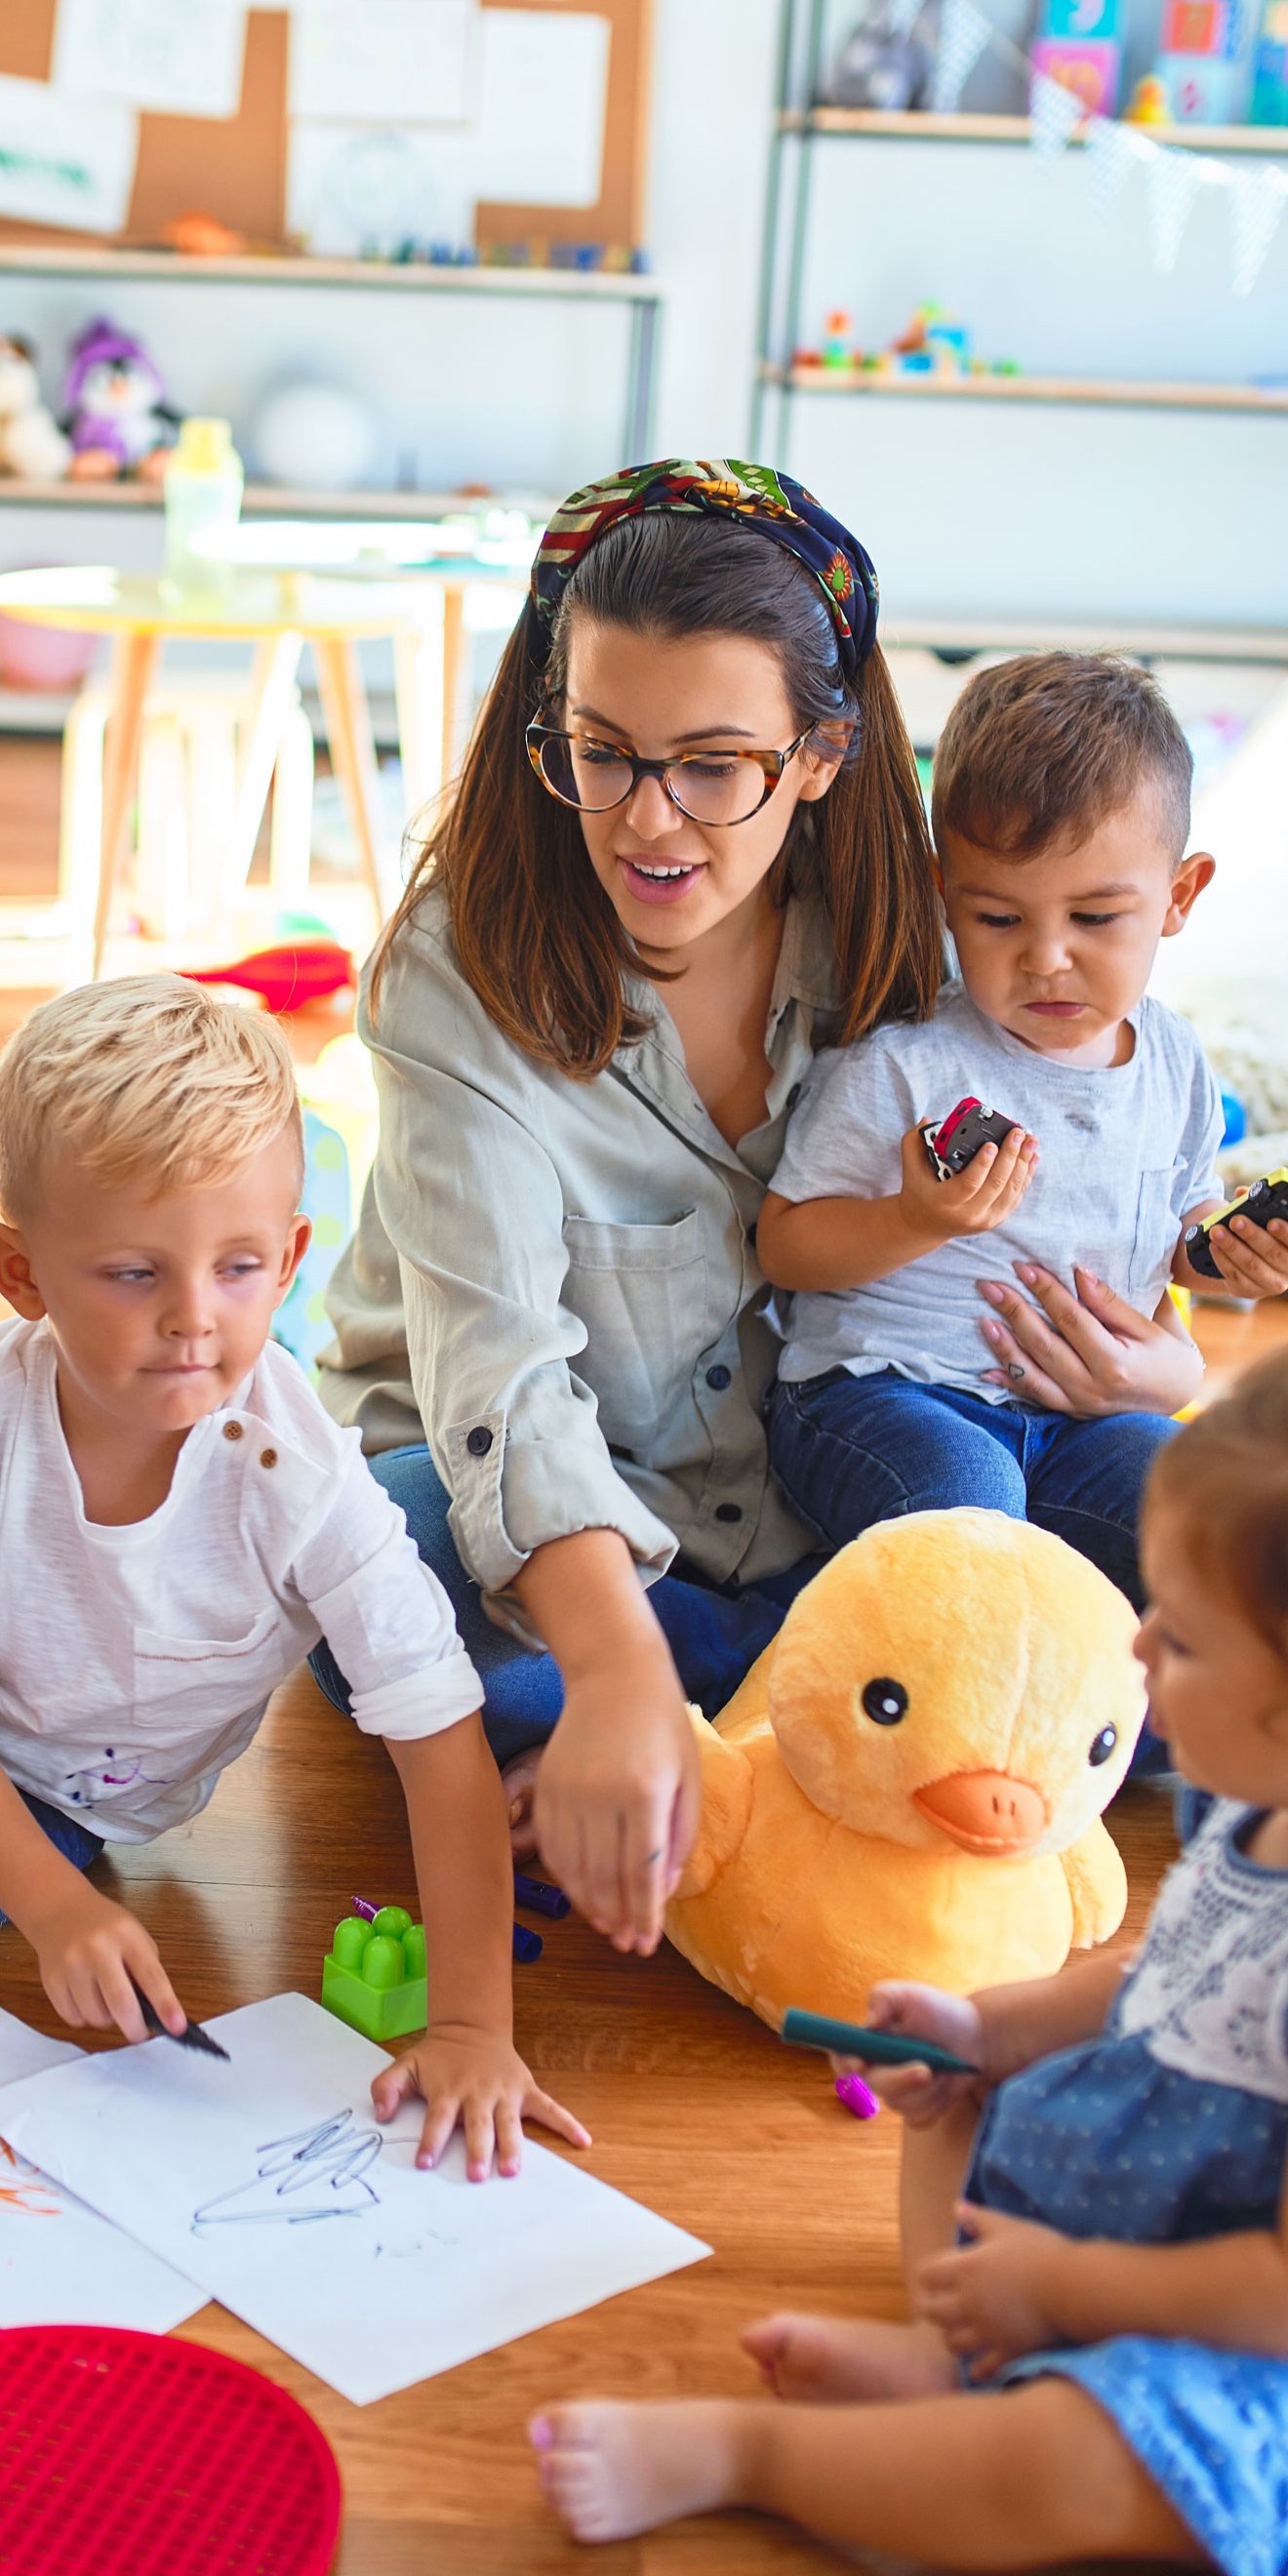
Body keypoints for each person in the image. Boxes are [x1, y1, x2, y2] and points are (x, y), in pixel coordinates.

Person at [316, 464, 1197, 1955]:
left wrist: (1166, 1364)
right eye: (602, 752)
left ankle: (772, 1724)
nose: (650, 824)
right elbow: (501, 1382)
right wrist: (613, 1679)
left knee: (1202, 1600)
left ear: (820, 755)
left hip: (820, 1499)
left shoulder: (940, 940)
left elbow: (1088, 1197)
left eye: (715, 764)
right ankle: (802, 1724)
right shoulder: (453, 975)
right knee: (377, 1576)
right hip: (548, 1530)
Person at [530, 1348, 1288, 2571]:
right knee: (957, 2096)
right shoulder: (1242, 1807)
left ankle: (757, 2458)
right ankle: (964, 2363)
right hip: (1124, 2226)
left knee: (1076, 2473)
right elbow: (1167, 1985)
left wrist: (1071, 2289)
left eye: (1186, 1643)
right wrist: (994, 2031)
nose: (1139, 1657)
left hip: (1220, 2328)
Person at [0, 977, 586, 2182]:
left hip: (74, 1813)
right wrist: (55, 1912)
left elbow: (441, 1743)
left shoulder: (302, 1482)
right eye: (131, 1274)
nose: (191, 1319)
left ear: (292, 1262)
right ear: (23, 1278)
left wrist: (473, 2026)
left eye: (239, 1267)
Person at [760, 652, 1288, 1622]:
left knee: (1208, 1520)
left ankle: (1128, 1723)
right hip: (884, 1393)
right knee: (968, 1517)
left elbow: (1174, 1225)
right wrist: (916, 1220)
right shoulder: (907, 1057)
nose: (1046, 959)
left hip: (1079, 1423)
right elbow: (786, 1244)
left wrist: (1229, 1254)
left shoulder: (1172, 1059)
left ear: (1179, 896)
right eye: (997, 917)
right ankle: (779, 1643)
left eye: (1095, 916)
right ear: (944, 890)